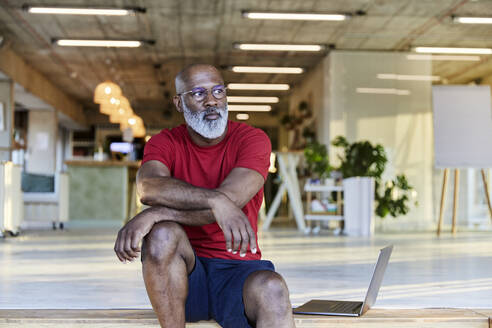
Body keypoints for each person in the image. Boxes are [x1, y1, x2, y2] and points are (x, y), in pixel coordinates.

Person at [114, 64, 296, 328]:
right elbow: (149, 187)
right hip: (183, 274)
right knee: (162, 234)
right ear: (179, 102)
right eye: (198, 93)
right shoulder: (164, 143)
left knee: (273, 288)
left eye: (218, 91)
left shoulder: (252, 140)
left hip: (238, 271)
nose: (211, 101)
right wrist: (215, 199)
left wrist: (156, 213)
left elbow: (231, 199)